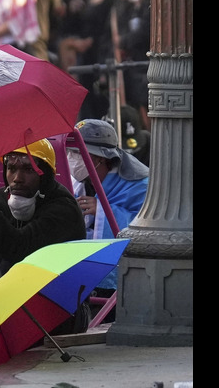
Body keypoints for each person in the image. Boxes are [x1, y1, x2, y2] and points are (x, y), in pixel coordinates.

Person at [0, 139, 88, 334]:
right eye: (11, 168)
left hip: (63, 311)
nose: (17, 178)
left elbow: (17, 249)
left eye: (28, 170)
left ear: (45, 176)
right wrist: (1, 252)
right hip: (13, 310)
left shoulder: (63, 208)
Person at [68, 119, 149, 302]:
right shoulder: (76, 183)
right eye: (69, 152)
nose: (71, 159)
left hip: (125, 284)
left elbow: (147, 230)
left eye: (77, 153)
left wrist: (103, 211)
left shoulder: (140, 185)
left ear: (100, 158)